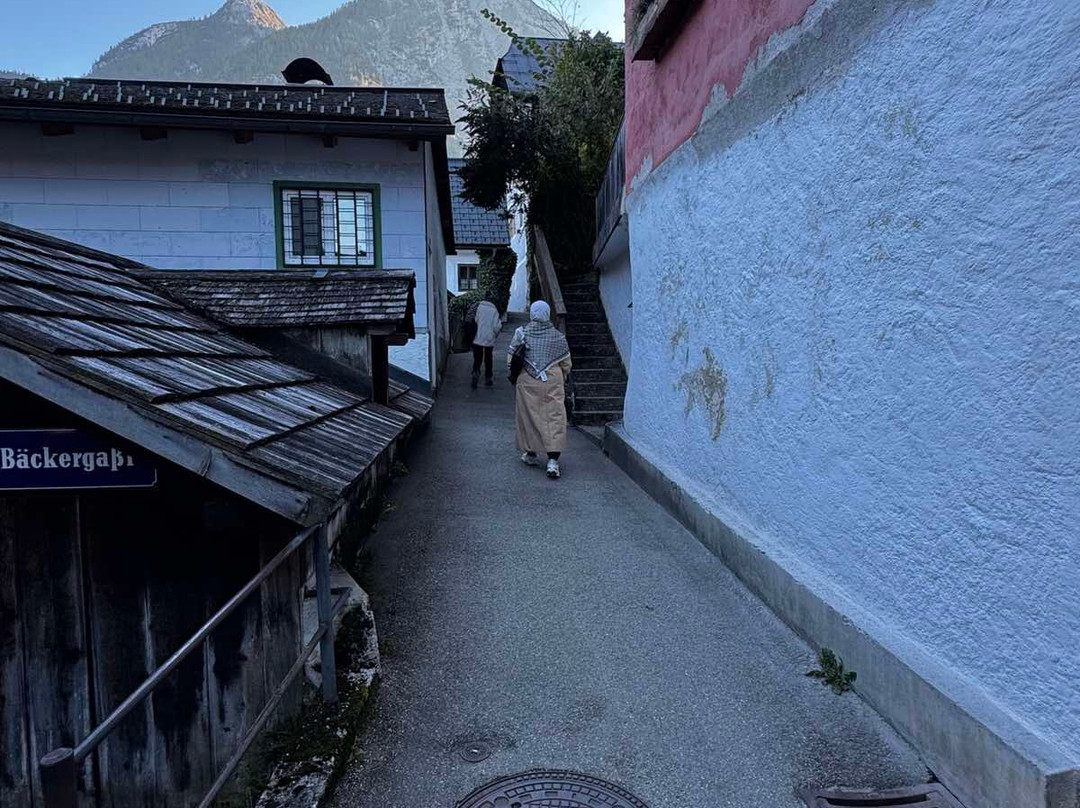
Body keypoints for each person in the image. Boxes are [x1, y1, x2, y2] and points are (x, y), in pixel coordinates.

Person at [508, 300, 572, 479]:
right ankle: (553, 461)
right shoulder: (558, 337)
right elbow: (566, 364)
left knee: (529, 417)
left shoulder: (521, 333)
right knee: (554, 417)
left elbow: (511, 358)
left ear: (532, 314)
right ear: (547, 313)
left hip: (527, 380)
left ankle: (531, 453)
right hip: (553, 381)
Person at [468, 297, 501, 389]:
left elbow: (474, 320)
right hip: (489, 338)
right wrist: (495, 335)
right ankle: (488, 377)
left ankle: (475, 373)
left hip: (477, 337)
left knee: (477, 358)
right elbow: (497, 326)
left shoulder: (478, 307)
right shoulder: (494, 310)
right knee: (488, 358)